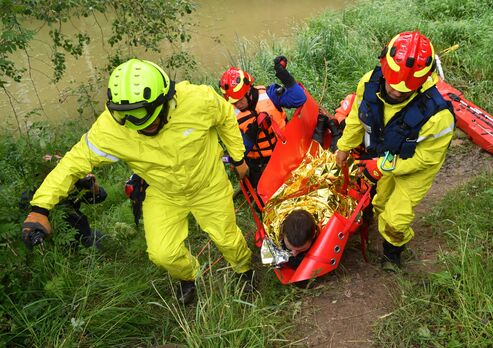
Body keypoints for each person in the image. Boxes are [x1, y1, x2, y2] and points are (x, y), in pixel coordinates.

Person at [21, 59, 253, 304]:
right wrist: (40, 207)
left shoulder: (198, 99)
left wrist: (239, 158)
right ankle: (188, 276)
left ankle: (244, 270)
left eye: (151, 120)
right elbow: (72, 163)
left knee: (227, 238)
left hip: (208, 183)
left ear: (165, 100)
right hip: (164, 192)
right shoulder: (111, 129)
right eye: (134, 123)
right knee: (162, 253)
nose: (145, 128)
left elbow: (226, 116)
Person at [335, 31, 455, 272]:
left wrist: (380, 166)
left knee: (395, 218)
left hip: (415, 167)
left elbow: (425, 159)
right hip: (386, 154)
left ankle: (393, 253)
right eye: (393, 85)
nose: (397, 92)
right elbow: (357, 120)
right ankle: (379, 223)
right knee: (380, 204)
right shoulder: (368, 83)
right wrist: (343, 147)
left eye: (404, 90)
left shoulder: (438, 116)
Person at [219, 56, 307, 188]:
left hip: (284, 153)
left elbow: (299, 98)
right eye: (233, 102)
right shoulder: (230, 114)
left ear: (248, 90)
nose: (237, 105)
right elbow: (237, 151)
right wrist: (251, 134)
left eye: (239, 100)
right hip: (258, 164)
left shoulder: (270, 95)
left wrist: (284, 76)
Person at [20, 154, 106, 249]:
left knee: (102, 241)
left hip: (81, 231)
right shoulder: (35, 192)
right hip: (57, 240)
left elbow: (100, 197)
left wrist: (94, 188)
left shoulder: (72, 184)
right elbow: (24, 207)